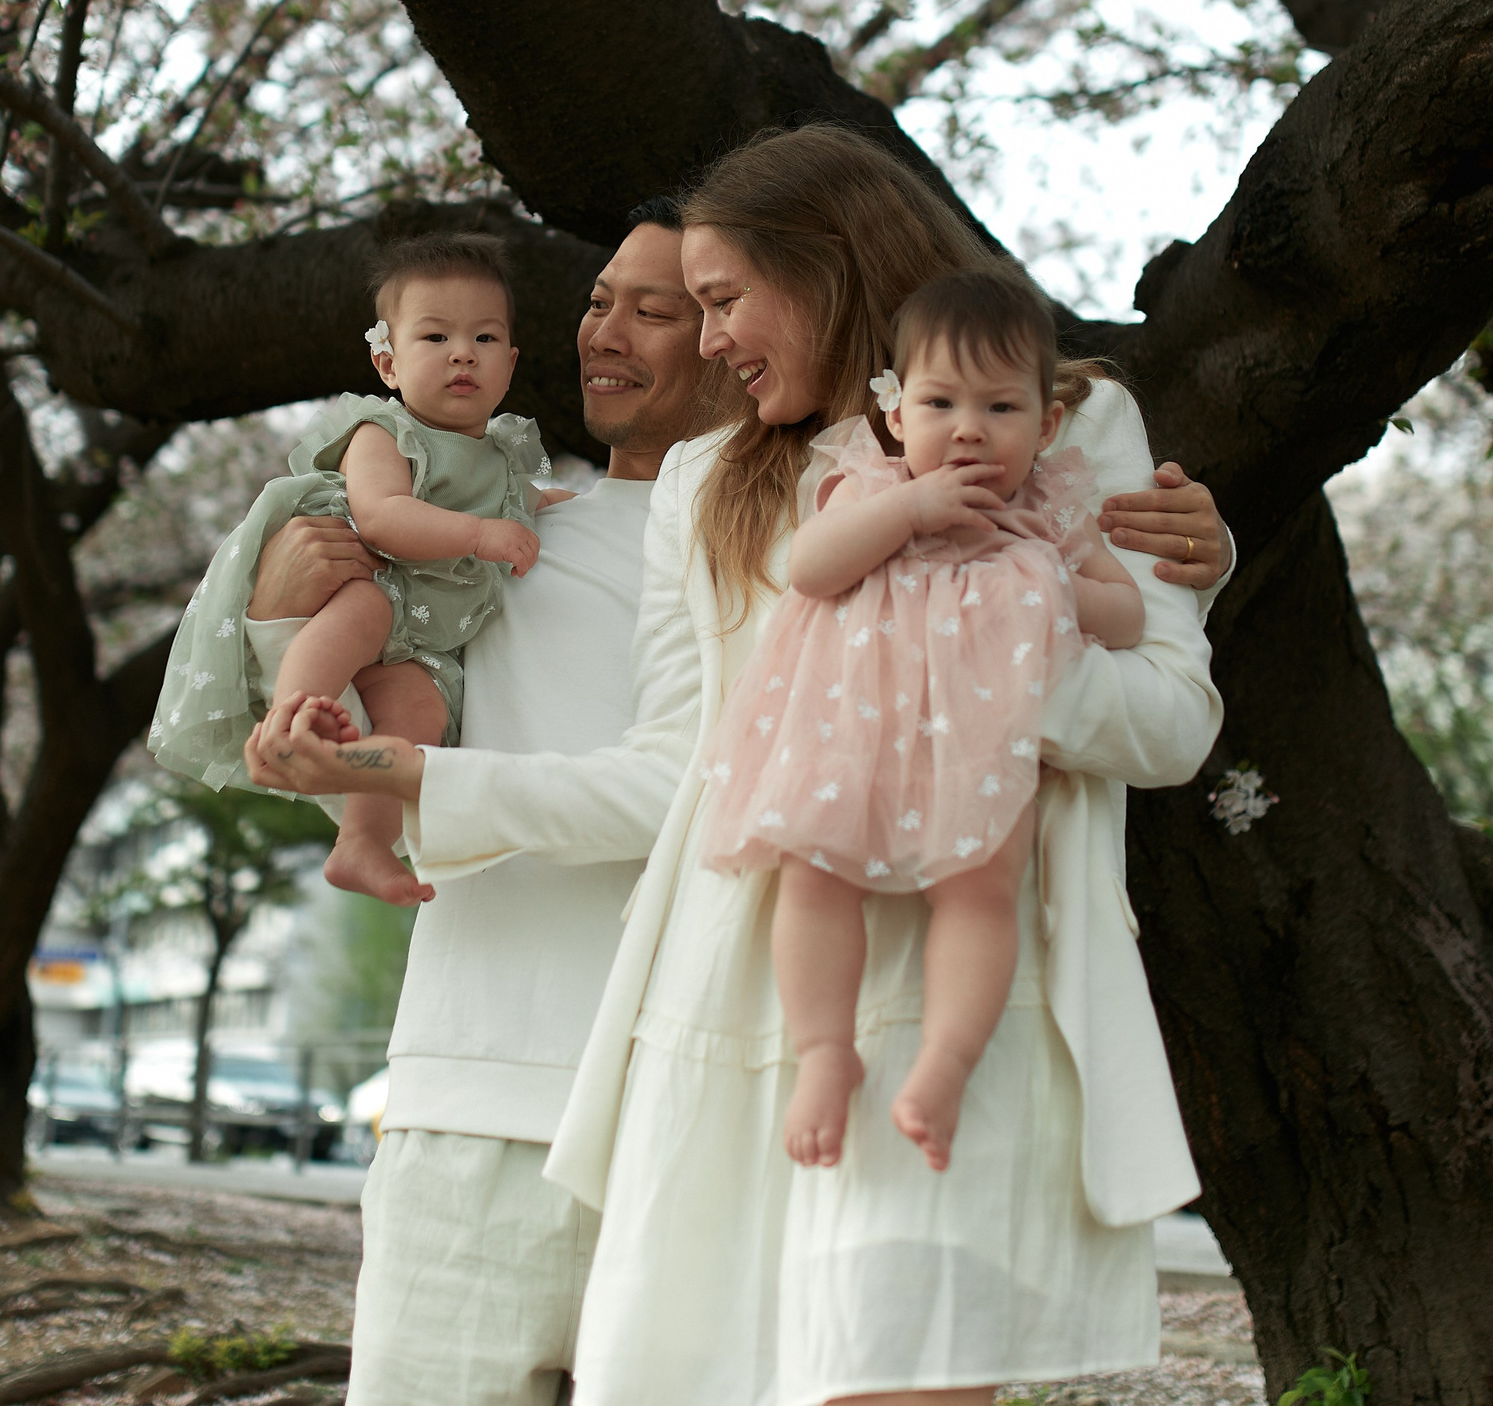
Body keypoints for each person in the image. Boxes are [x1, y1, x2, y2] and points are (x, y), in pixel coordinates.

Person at [252, 124, 1231, 1406]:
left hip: (957, 995)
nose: (710, 341)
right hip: (734, 999)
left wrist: (984, 641)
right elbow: (681, 769)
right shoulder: (711, 477)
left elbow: (1166, 721)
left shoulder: (1059, 415)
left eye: (722, 300)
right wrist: (410, 773)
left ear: (825, 270)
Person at [239, 201, 728, 1405]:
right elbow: (351, 745)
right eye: (599, 299)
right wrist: (273, 623)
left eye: (654, 308)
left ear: (736, 335)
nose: (603, 329)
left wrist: (1197, 546)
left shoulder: (792, 540)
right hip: (471, 1085)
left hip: (700, 1110)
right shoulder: (501, 526)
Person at [702, 267, 1143, 1177]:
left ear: (1047, 424)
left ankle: (945, 1063)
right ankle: (825, 1050)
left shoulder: (1049, 510)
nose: (970, 428)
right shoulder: (871, 484)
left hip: (980, 742)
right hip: (850, 733)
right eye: (942, 402)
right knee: (813, 878)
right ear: (898, 415)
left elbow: (1128, 615)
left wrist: (1044, 570)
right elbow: (812, 569)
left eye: (1002, 407)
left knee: (981, 891)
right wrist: (910, 509)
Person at [149, 234, 564, 906]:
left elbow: (525, 502)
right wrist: (482, 533)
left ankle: (362, 844)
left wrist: (551, 506)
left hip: (419, 641)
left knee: (418, 712)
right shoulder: (385, 434)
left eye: (485, 339)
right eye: (435, 337)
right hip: (375, 581)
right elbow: (382, 518)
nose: (464, 352)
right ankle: (292, 718)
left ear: (511, 361)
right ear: (388, 362)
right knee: (363, 612)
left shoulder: (504, 456)